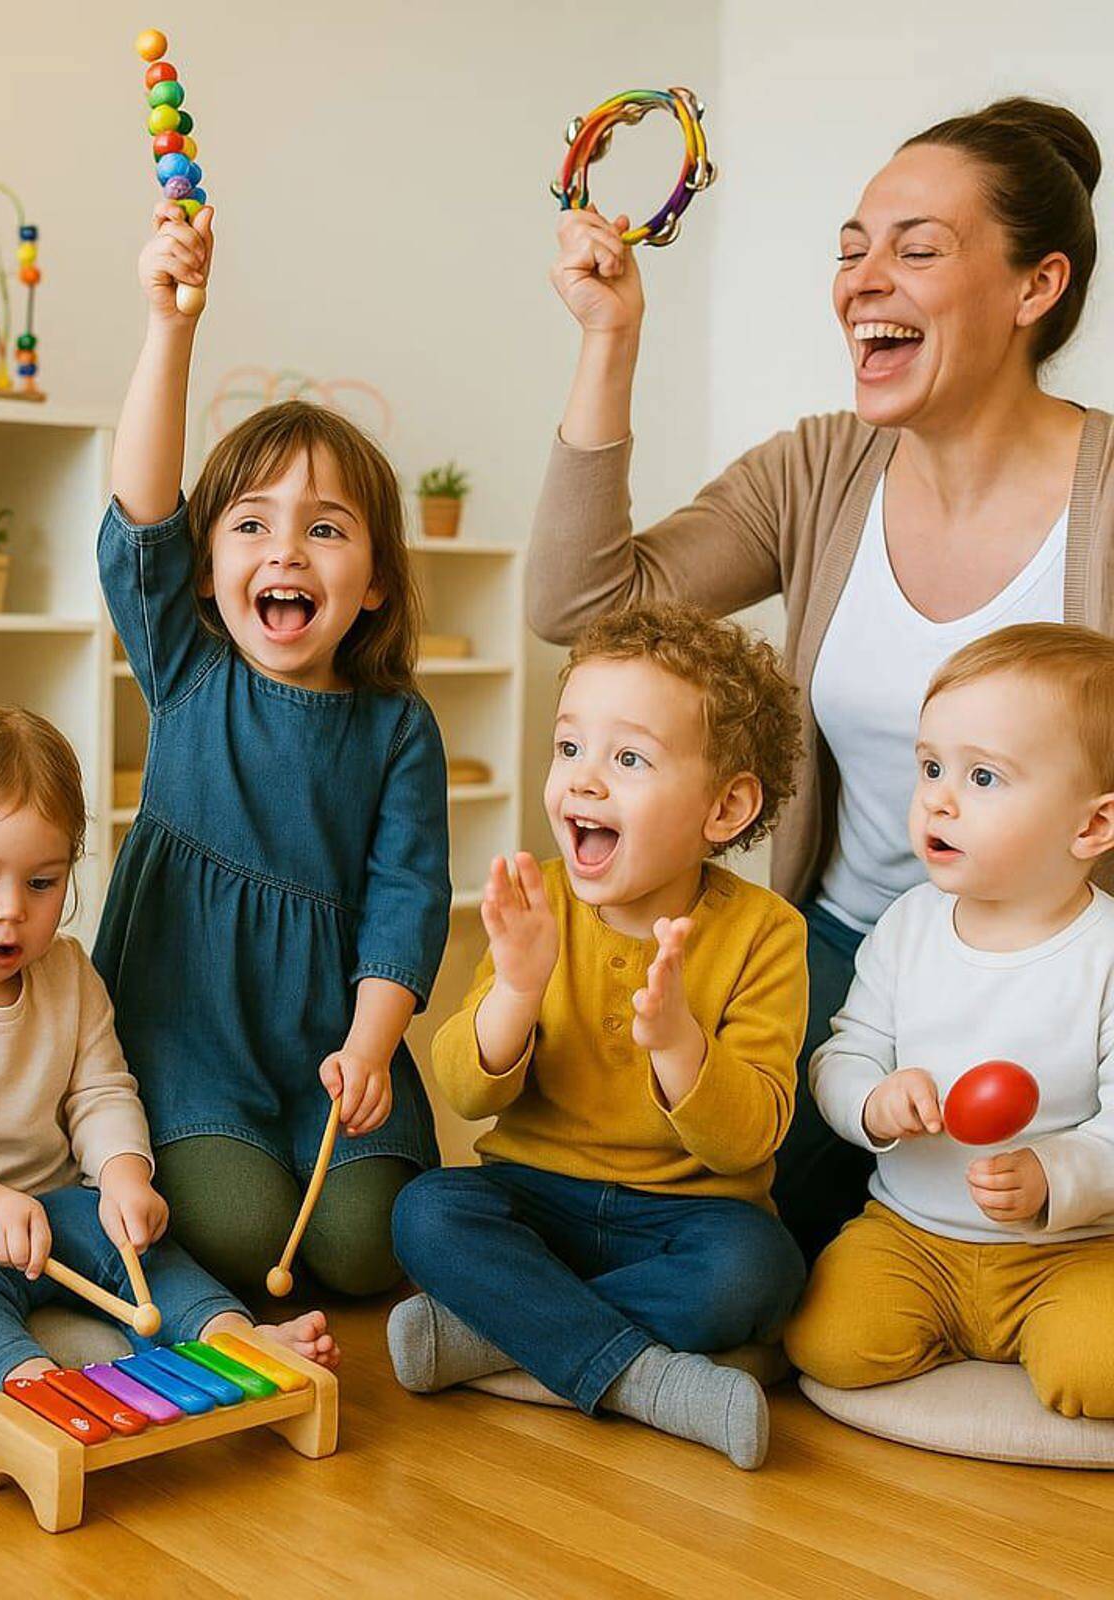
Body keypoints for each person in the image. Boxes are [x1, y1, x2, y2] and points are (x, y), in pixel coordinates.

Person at [526, 96, 1112, 1261]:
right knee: (701, 1211)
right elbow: (580, 608)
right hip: (845, 947)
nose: (863, 281)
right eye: (851, 250)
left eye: (915, 249)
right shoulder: (819, 468)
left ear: (1033, 287)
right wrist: (608, 344)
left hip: (1056, 957)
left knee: (1002, 1219)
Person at [92, 200, 451, 1296]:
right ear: (205, 569)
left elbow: (407, 900)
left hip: (330, 1043)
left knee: (359, 1246)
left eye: (326, 528)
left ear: (376, 579)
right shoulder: (185, 662)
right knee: (247, 1232)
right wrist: (170, 327)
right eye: (249, 522)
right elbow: (141, 511)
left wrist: (373, 1046)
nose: (284, 548)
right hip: (186, 1037)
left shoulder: (398, 728)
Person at [390, 605, 807, 1470]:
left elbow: (749, 1141)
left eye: (628, 759)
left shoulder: (767, 933)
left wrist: (678, 1043)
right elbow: (466, 1092)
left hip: (690, 1217)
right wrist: (516, 987)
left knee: (759, 1272)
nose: (582, 781)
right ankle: (648, 1380)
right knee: (427, 1211)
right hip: (537, 1197)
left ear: (724, 806)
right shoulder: (535, 900)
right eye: (569, 747)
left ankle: (493, 1334)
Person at [0, 705, 338, 1400]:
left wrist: (125, 1176)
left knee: (144, 1249)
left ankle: (232, 1334)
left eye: (42, 883)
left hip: (66, 1206)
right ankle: (31, 1383)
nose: (11, 909)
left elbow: (101, 1091)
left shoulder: (68, 973)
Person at [788, 624, 1114, 1416]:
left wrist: (1051, 1177)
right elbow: (844, 1053)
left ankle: (1045, 1329)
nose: (937, 796)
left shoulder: (1103, 954)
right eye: (930, 766)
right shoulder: (908, 925)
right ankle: (954, 1323)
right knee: (827, 1342)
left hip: (1069, 1249)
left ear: (1091, 828)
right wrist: (875, 1101)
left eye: (982, 777)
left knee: (1095, 1371)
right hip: (912, 1234)